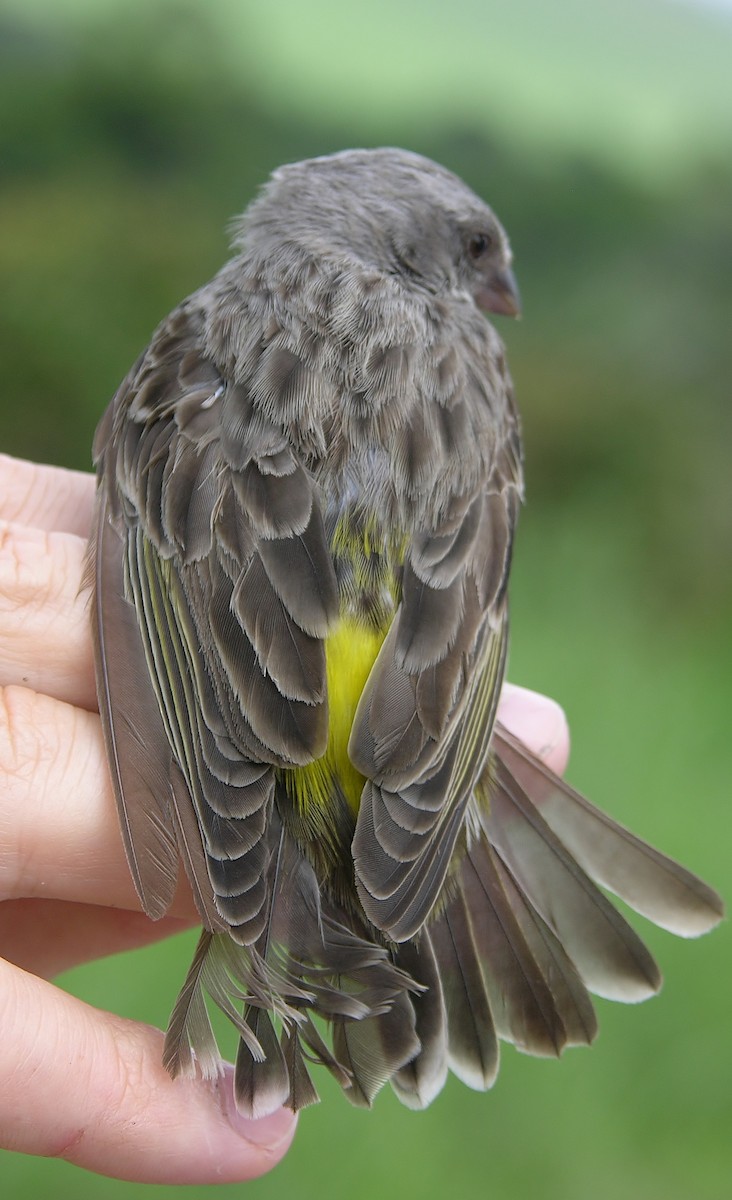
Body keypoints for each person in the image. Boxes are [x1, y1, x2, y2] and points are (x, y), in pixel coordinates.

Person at [0, 451, 571, 1185]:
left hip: (261, 695)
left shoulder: (192, 369)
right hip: (404, 712)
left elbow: (162, 555)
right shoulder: (472, 399)